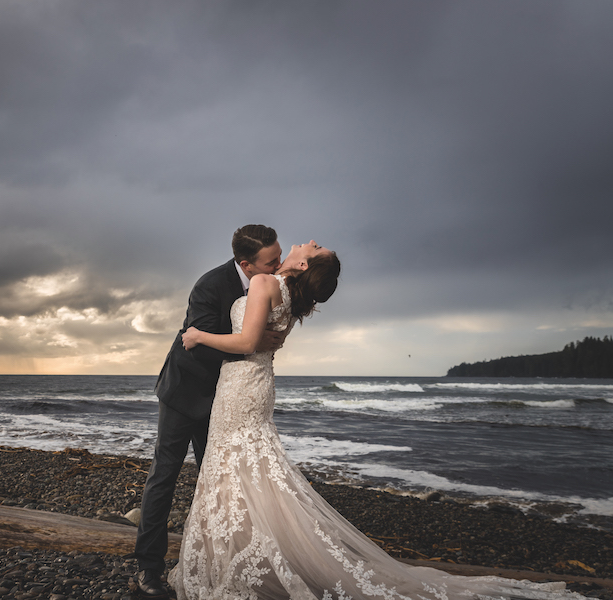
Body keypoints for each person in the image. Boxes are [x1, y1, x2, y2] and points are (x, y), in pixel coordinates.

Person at [168, 241, 585, 600]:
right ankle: (244, 553)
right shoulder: (292, 296)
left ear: (303, 265)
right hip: (254, 384)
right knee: (247, 470)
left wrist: (197, 335)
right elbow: (261, 337)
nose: (308, 242)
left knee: (238, 469)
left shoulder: (263, 283)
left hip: (241, 385)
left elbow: (245, 341)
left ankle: (239, 561)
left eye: (313, 248)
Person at [135, 224, 287, 598]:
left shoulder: (269, 282)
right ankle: (147, 570)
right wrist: (252, 345)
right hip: (185, 392)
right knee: (164, 477)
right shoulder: (210, 285)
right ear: (246, 264)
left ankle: (218, 568)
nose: (278, 265)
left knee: (218, 485)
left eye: (280, 256)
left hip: (226, 399)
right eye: (271, 261)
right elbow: (197, 345)